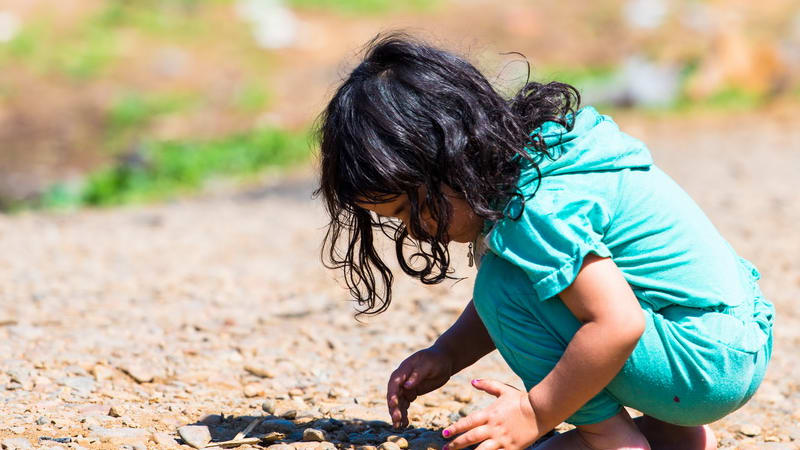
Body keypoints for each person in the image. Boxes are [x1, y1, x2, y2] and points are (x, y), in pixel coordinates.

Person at [314, 33, 774, 450]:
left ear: (448, 159)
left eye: (406, 210)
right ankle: (673, 434)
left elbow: (617, 324)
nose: (413, 231)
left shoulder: (536, 210)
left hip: (702, 363)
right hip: (733, 343)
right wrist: (447, 353)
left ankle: (610, 440)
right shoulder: (543, 156)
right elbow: (545, 292)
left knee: (500, 284)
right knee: (520, 279)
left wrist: (535, 412)